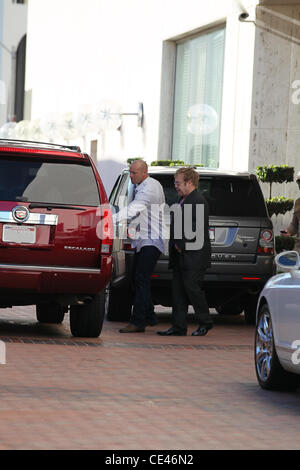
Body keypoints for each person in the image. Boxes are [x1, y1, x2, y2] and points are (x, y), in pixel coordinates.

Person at [157, 167, 213, 336]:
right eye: (175, 182)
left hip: (193, 256)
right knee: (178, 291)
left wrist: (181, 245)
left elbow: (196, 229)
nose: (175, 186)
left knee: (193, 290)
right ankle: (178, 326)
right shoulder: (184, 199)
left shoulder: (197, 200)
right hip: (181, 257)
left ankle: (205, 322)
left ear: (189, 183)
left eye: (178, 183)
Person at [114, 160, 166, 333]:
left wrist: (108, 219)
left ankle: (138, 322)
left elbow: (133, 209)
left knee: (140, 279)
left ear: (144, 172)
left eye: (134, 173)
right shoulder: (145, 185)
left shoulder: (149, 188)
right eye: (130, 172)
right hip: (144, 240)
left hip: (152, 240)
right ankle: (150, 316)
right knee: (139, 280)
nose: (131, 176)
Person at [283, 171, 300, 253]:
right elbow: (294, 225)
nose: (299, 184)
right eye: (298, 181)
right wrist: (288, 232)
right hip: (298, 250)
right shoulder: (298, 202)